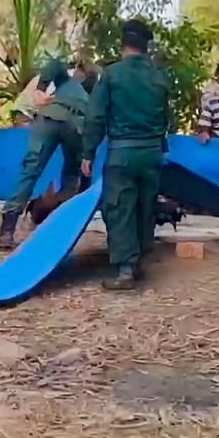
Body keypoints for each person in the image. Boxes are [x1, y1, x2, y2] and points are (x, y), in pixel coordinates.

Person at [81, 19, 171, 291]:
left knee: (120, 207)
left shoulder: (112, 74)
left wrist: (88, 152)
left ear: (123, 45)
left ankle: (125, 270)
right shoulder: (159, 77)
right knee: (146, 205)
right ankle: (140, 259)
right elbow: (166, 117)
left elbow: (96, 116)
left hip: (123, 153)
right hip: (153, 153)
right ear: (146, 47)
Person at [0, 57, 95, 250]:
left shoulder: (68, 81)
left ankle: (7, 231)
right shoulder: (85, 83)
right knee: (72, 175)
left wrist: (41, 89)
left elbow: (54, 64)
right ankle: (64, 225)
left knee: (31, 171)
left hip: (52, 120)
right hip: (74, 124)